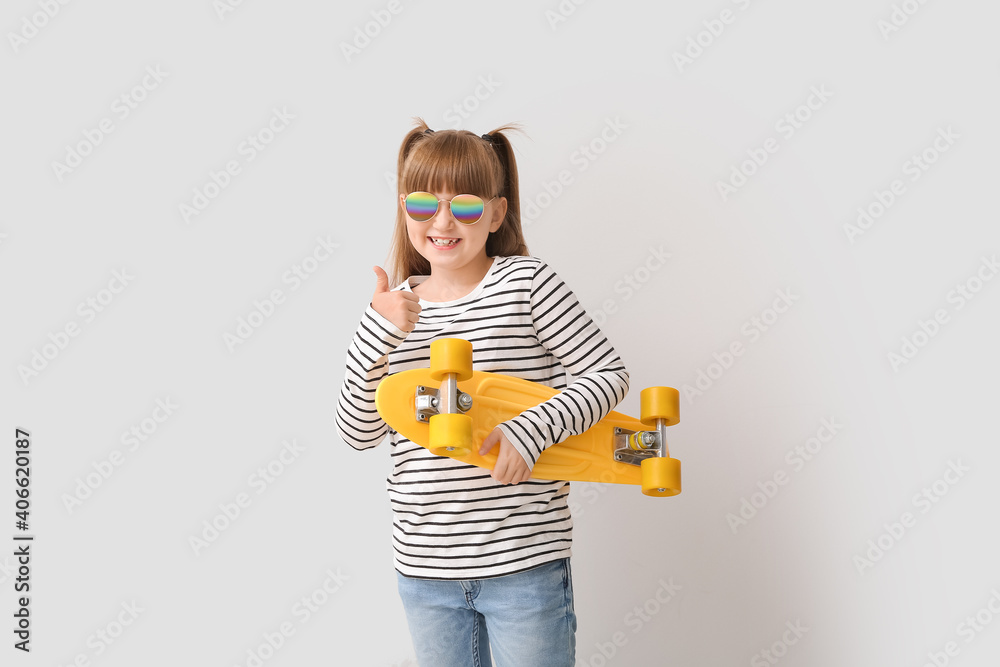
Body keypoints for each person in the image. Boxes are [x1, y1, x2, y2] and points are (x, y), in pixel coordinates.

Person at [336, 118, 630, 666]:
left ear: (495, 213)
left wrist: (530, 432)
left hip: (524, 561)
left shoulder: (527, 283)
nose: (443, 222)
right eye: (425, 205)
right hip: (425, 571)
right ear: (405, 208)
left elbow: (607, 375)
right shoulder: (393, 309)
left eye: (466, 207)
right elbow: (357, 432)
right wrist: (376, 333)